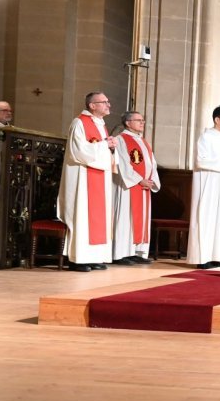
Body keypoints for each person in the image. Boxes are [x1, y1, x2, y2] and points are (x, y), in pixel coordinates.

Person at [59, 92, 117, 272]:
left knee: (98, 218)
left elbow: (102, 149)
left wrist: (111, 148)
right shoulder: (80, 123)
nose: (109, 105)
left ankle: (94, 257)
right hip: (83, 178)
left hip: (98, 176)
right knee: (83, 216)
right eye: (104, 102)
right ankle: (78, 259)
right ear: (92, 105)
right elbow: (79, 152)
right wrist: (105, 145)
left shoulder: (100, 125)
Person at [187, 105, 220, 269]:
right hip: (209, 184)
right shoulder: (206, 137)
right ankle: (202, 258)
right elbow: (201, 161)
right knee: (207, 217)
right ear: (217, 119)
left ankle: (217, 255)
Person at [111, 110, 159, 265]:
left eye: (143, 120)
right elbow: (123, 164)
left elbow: (152, 164)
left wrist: (151, 180)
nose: (142, 123)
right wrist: (139, 180)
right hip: (128, 187)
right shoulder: (121, 139)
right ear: (127, 123)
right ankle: (120, 254)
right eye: (138, 120)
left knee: (140, 219)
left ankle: (136, 251)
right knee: (126, 218)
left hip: (143, 187)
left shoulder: (143, 141)